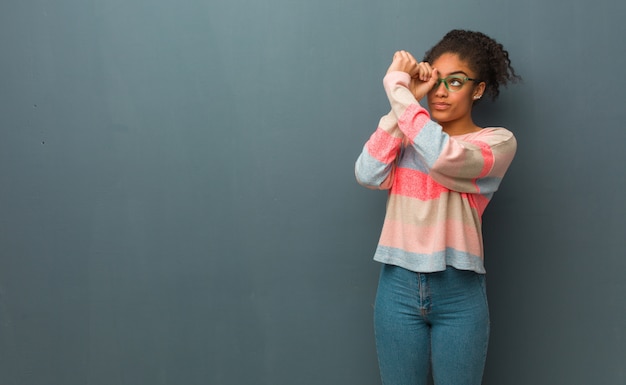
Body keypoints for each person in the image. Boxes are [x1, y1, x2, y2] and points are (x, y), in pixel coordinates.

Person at [355, 30, 520, 385]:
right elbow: (367, 173)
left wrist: (398, 90)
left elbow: (443, 158)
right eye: (434, 80)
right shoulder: (409, 137)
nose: (441, 92)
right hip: (396, 286)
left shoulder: (495, 142)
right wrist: (404, 103)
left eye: (455, 82)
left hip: (458, 292)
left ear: (478, 89)